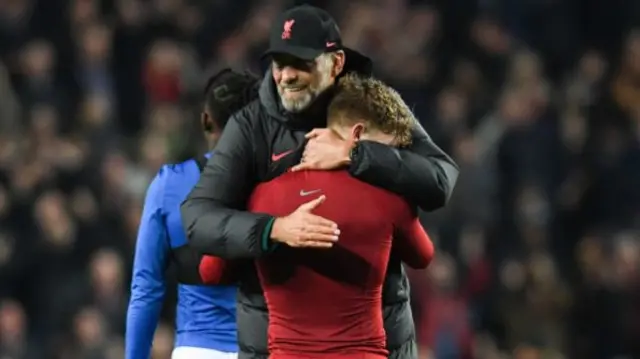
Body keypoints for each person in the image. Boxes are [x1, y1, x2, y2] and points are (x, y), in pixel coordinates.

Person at [181, 5, 458, 359]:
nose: (286, 76)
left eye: (301, 64)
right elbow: (196, 217)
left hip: (379, 341)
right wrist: (273, 229)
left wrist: (358, 156)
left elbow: (441, 178)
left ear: (336, 63)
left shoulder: (369, 106)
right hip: (275, 345)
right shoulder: (251, 127)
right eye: (279, 65)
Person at [200, 73, 436, 359]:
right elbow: (423, 256)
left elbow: (211, 272)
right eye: (389, 150)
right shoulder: (390, 197)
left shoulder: (259, 195)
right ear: (358, 134)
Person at [125, 69, 259, 359]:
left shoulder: (170, 185)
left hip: (198, 349)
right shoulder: (282, 185)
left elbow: (146, 288)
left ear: (206, 119)